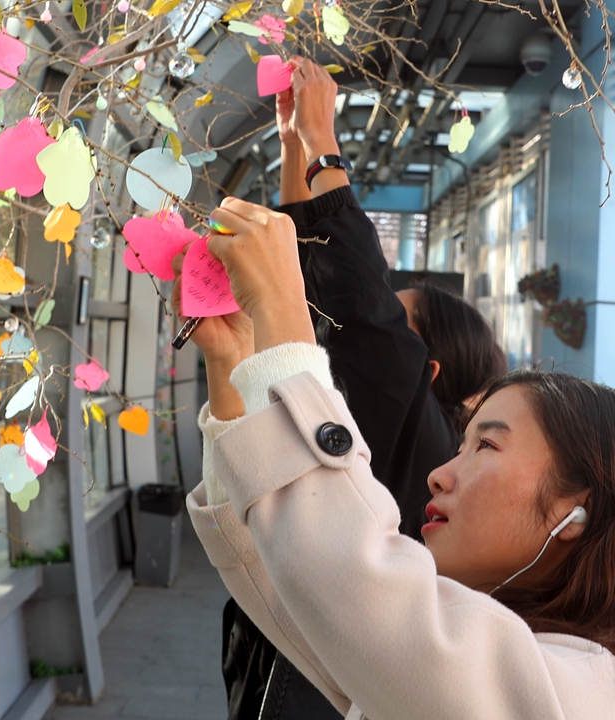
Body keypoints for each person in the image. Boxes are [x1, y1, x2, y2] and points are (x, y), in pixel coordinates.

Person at [188, 194, 615, 719]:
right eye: (462, 444)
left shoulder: (585, 694)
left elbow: (349, 582)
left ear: (572, 510)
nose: (439, 475)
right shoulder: (507, 654)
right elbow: (283, 583)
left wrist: (281, 309)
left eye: (486, 445)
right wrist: (234, 356)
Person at [205, 57, 506, 720]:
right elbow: (323, 283)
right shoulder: (387, 420)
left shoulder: (417, 418)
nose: (366, 330)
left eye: (399, 326)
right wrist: (291, 141)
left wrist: (321, 137)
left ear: (425, 365)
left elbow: (358, 297)